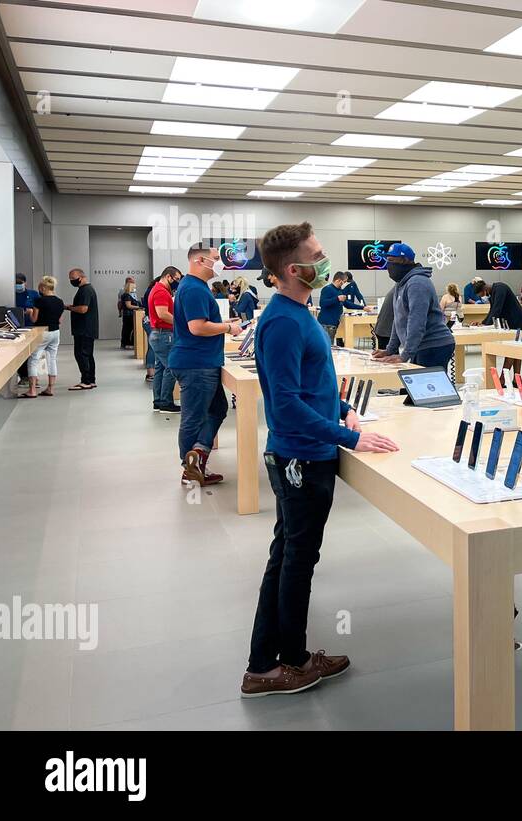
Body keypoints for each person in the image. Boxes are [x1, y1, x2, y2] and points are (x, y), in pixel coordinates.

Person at [241, 221, 399, 698]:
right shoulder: (285, 322)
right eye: (318, 254)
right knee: (296, 561)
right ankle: (286, 663)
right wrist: (346, 438)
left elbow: (314, 386)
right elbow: (286, 404)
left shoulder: (298, 312)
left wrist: (346, 411)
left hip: (310, 452)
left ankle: (268, 661)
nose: (326, 260)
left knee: (288, 555)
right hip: (301, 460)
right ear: (295, 269)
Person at [169, 244, 241, 486]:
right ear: (200, 260)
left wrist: (222, 323)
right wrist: (227, 327)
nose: (220, 262)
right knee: (194, 417)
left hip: (202, 362)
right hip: (196, 364)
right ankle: (189, 468)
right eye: (215, 258)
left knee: (218, 408)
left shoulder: (196, 288)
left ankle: (197, 455)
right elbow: (197, 327)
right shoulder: (194, 289)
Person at [374, 243, 455, 371]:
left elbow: (416, 321)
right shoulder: (401, 284)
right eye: (387, 260)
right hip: (421, 346)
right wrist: (390, 350)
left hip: (434, 345)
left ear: (405, 260)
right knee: (419, 388)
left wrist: (405, 355)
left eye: (391, 261)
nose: (388, 265)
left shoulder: (417, 283)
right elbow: (398, 319)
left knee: (430, 388)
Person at [18, 276, 64, 399]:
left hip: (42, 332)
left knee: (33, 360)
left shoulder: (39, 301)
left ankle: (32, 390)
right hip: (55, 332)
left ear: (43, 288)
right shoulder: (60, 301)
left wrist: (30, 312)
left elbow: (34, 319)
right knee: (52, 359)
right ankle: (50, 388)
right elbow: (60, 320)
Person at [147, 266, 182, 414]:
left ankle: (159, 401)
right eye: (177, 279)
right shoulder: (161, 291)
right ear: (169, 277)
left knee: (161, 368)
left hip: (159, 334)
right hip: (164, 334)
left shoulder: (158, 289)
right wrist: (181, 323)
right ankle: (166, 402)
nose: (178, 283)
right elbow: (163, 314)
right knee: (171, 367)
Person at [63, 268, 99, 390]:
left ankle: (86, 380)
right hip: (87, 328)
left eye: (73, 279)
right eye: (70, 279)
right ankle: (91, 380)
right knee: (88, 355)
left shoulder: (85, 290)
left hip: (84, 329)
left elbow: (83, 309)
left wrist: (70, 308)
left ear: (82, 277)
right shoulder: (86, 290)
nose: (72, 281)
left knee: (81, 354)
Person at [317, 270, 352, 344]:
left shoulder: (339, 291)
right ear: (338, 280)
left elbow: (347, 304)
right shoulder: (327, 289)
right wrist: (337, 299)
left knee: (330, 346)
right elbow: (322, 303)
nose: (344, 284)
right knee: (327, 346)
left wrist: (363, 307)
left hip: (333, 324)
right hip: (326, 324)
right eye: (343, 282)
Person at [118, 276, 143, 349]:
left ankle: (130, 343)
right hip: (128, 315)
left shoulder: (132, 293)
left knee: (129, 329)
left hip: (132, 314)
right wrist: (139, 307)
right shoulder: (126, 294)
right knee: (127, 329)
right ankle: (126, 343)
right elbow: (128, 305)